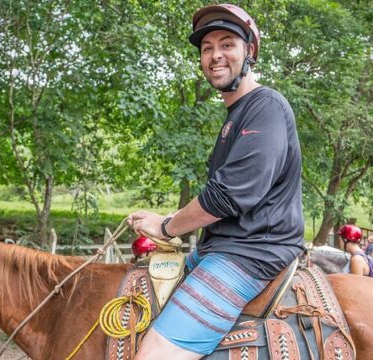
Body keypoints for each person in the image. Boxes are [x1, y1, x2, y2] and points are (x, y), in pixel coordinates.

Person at [127, 4, 304, 360]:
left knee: (152, 355)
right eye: (207, 48)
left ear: (249, 52)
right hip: (220, 249)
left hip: (252, 254)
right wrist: (168, 220)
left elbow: (228, 195)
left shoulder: (266, 106)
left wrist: (167, 226)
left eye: (227, 44)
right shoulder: (236, 115)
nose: (215, 55)